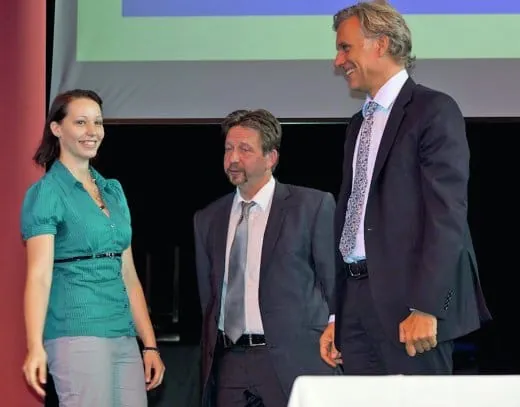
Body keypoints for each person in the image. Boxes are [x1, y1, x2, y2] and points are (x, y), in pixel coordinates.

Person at [319, 1, 491, 375]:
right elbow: (353, 217)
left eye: (345, 48)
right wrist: (337, 313)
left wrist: (427, 306)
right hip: (356, 305)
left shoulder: (433, 110)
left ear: (380, 44)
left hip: (410, 307)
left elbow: (446, 215)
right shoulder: (358, 124)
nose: (338, 60)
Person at [20, 89, 165, 406]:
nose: (92, 131)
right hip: (76, 331)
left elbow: (129, 274)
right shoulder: (46, 193)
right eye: (81, 122)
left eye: (97, 122)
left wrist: (150, 344)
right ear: (57, 129)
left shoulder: (113, 190)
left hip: (123, 333)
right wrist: (34, 346)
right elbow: (39, 277)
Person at [193, 108, 337, 407]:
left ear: (271, 157)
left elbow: (334, 280)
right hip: (230, 362)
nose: (233, 158)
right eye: (228, 149)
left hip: (294, 359)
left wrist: (339, 329)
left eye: (245, 149)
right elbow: (209, 298)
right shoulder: (208, 218)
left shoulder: (311, 206)